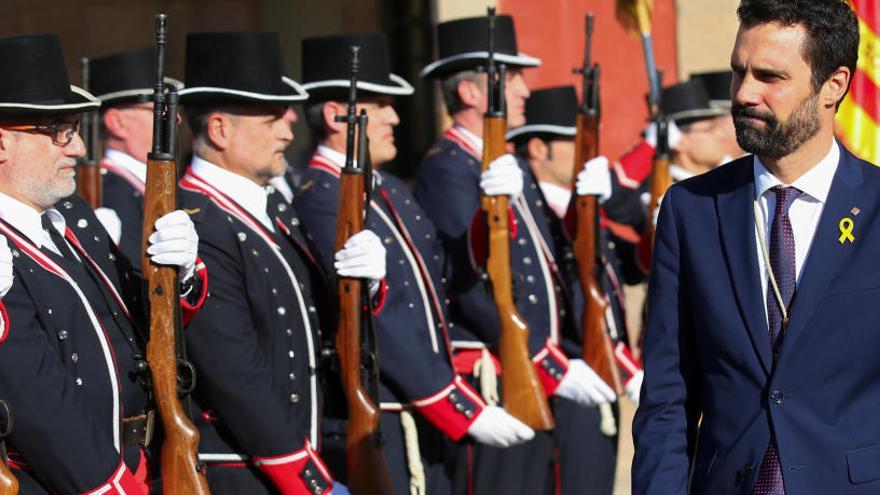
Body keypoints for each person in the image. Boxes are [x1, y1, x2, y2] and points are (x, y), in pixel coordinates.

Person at [633, 0, 869, 493]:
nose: (744, 94)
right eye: (738, 71)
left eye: (770, 76)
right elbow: (667, 399)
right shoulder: (692, 209)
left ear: (834, 85)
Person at [295, 32, 534, 495]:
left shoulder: (387, 188)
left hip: (424, 415)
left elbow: (443, 270)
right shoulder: (321, 199)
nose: (395, 117)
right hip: (390, 417)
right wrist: (456, 403)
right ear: (334, 115)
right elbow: (379, 321)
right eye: (381, 105)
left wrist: (493, 216)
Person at [417, 15, 617, 494]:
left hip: (532, 367)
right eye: (510, 78)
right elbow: (475, 282)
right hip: (500, 373)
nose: (525, 90)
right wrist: (551, 363)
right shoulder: (448, 168)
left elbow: (547, 251)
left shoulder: (506, 166)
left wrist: (583, 207)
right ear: (470, 93)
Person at [0, 33, 206, 494]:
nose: (76, 148)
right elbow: (40, 405)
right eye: (59, 132)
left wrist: (182, 276)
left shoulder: (72, 217)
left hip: (146, 463)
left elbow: (140, 319)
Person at [176, 30, 352, 494]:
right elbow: (234, 370)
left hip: (298, 451)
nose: (289, 128)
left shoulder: (272, 207)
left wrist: (364, 286)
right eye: (272, 116)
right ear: (219, 129)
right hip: (248, 471)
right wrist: (306, 477)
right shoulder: (198, 222)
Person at [508, 85, 644, 494]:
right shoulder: (536, 211)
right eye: (573, 141)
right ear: (538, 148)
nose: (588, 152)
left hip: (603, 377)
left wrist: (621, 200)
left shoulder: (588, 211)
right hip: (567, 379)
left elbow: (640, 262)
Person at [88, 47, 184, 263]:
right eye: (156, 110)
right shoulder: (110, 192)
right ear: (117, 122)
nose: (176, 119)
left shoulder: (151, 184)